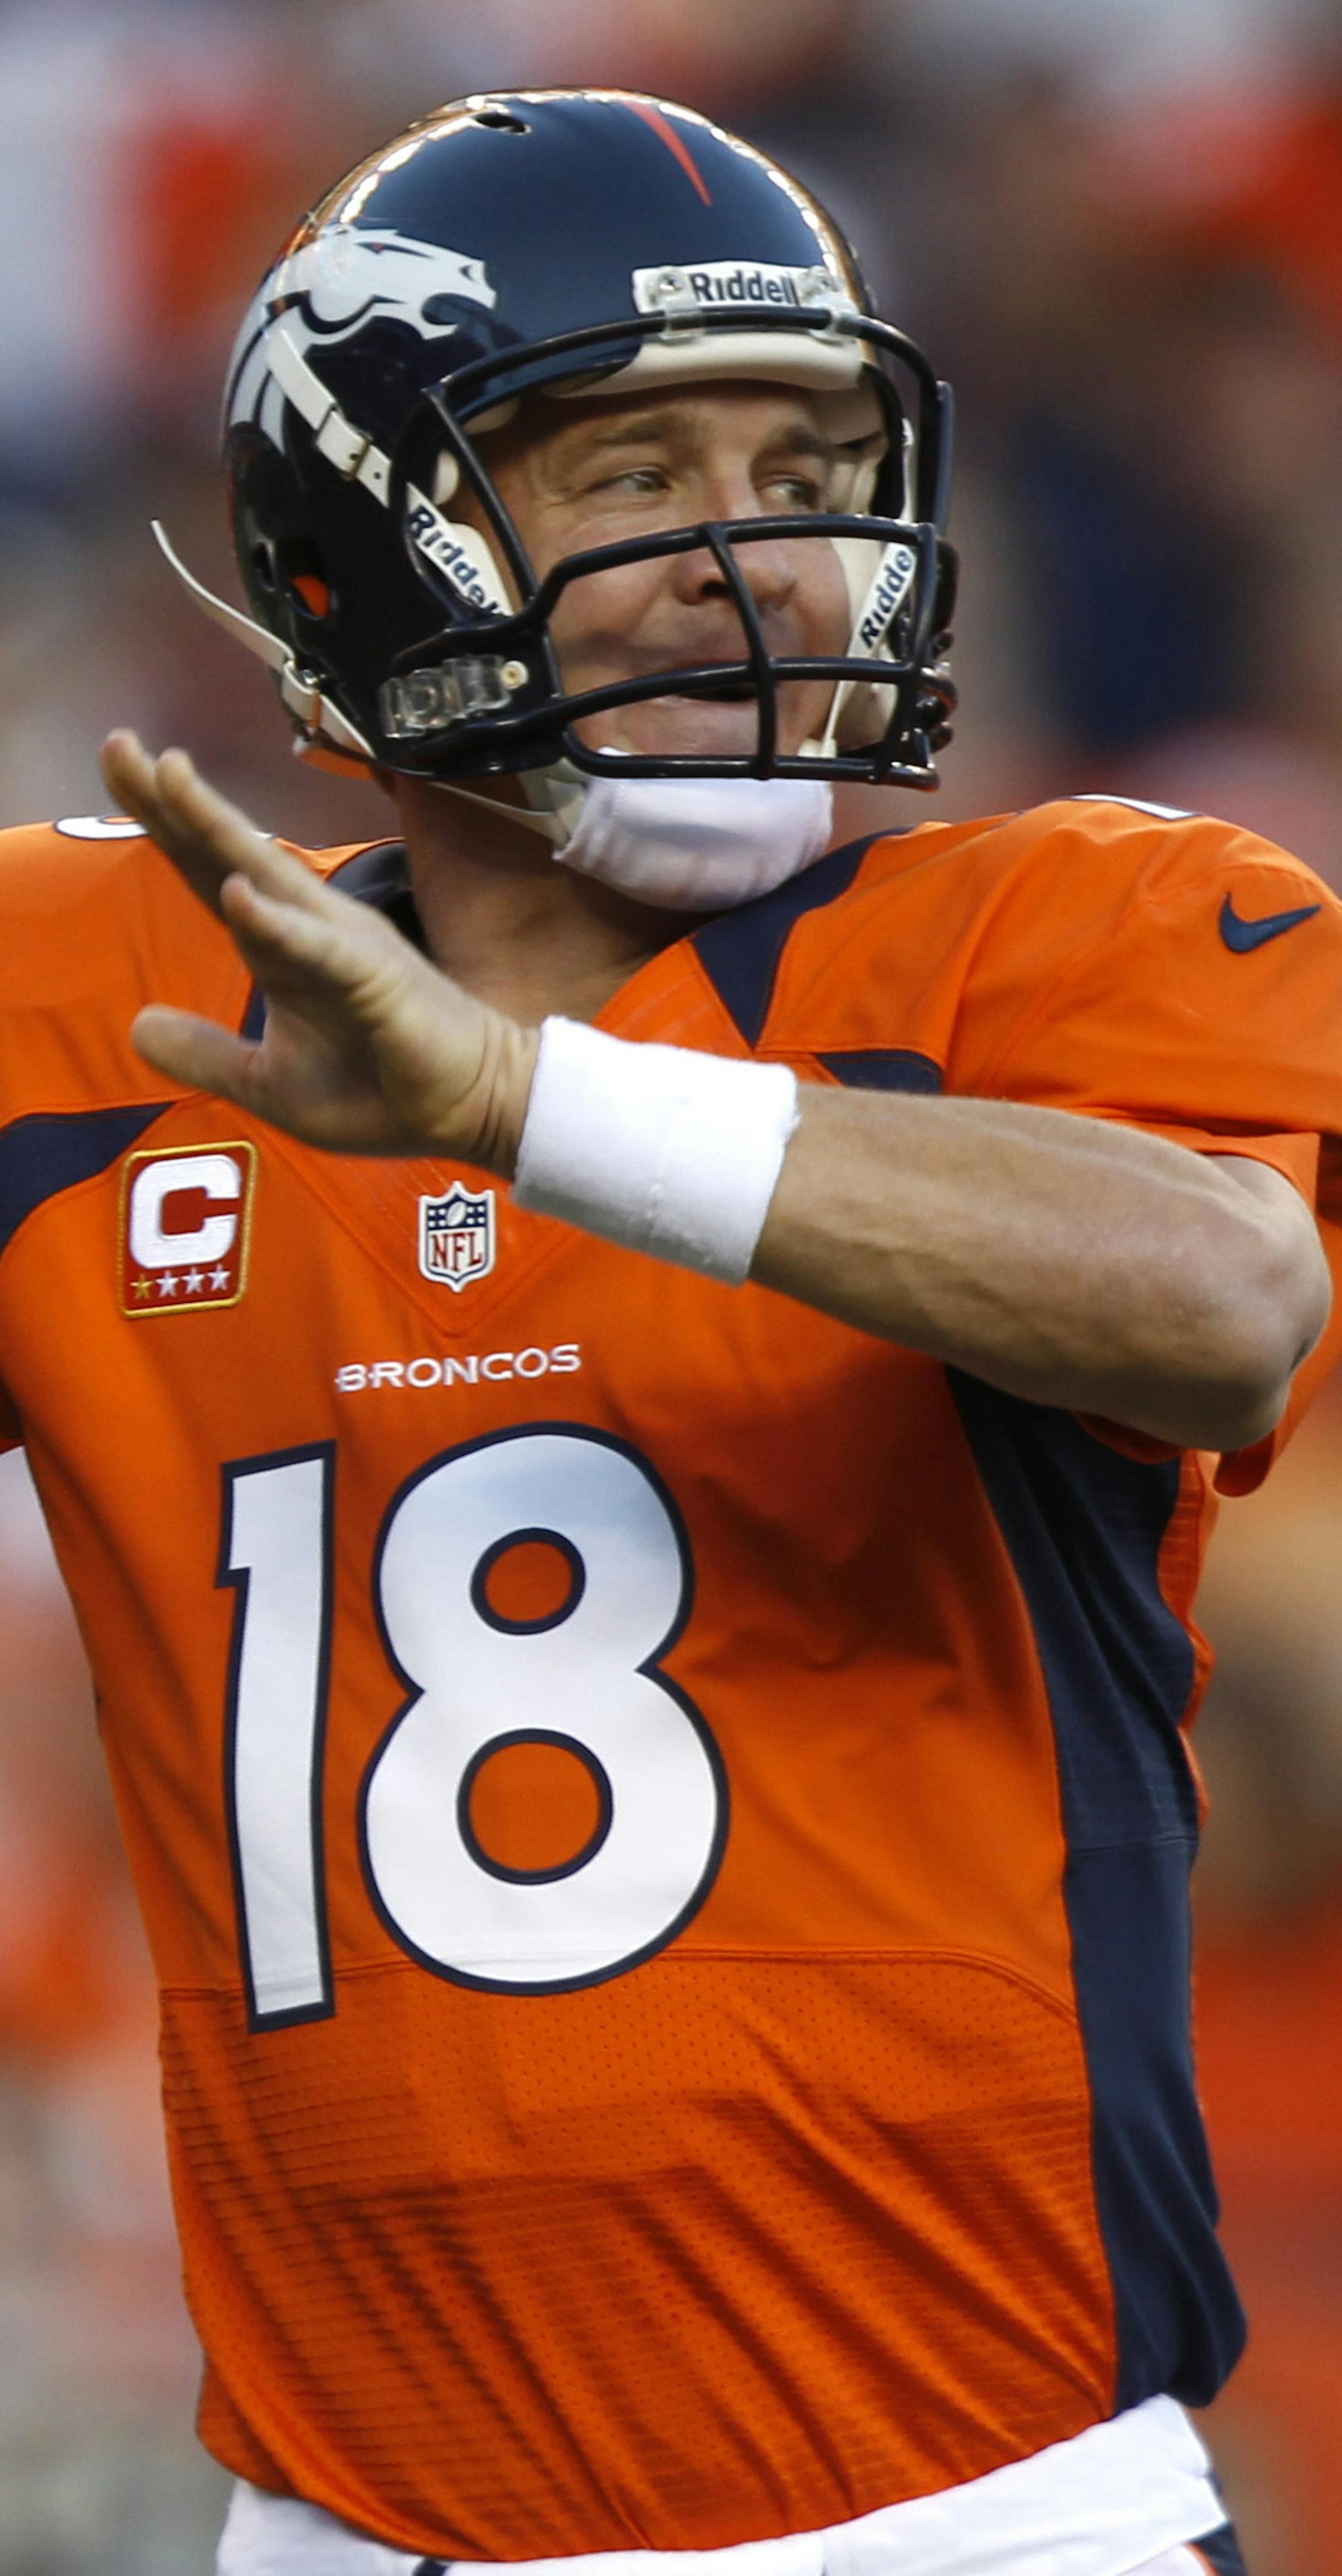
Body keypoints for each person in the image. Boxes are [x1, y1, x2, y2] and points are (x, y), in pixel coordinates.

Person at [6, 87, 1338, 2576]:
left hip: (975, 2521)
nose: (770, 563)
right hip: (343, 2523)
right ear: (350, 551)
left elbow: (1223, 1301)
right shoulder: (95, 992)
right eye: (633, 477)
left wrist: (521, 1102)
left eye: (811, 457)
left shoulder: (1055, 935)